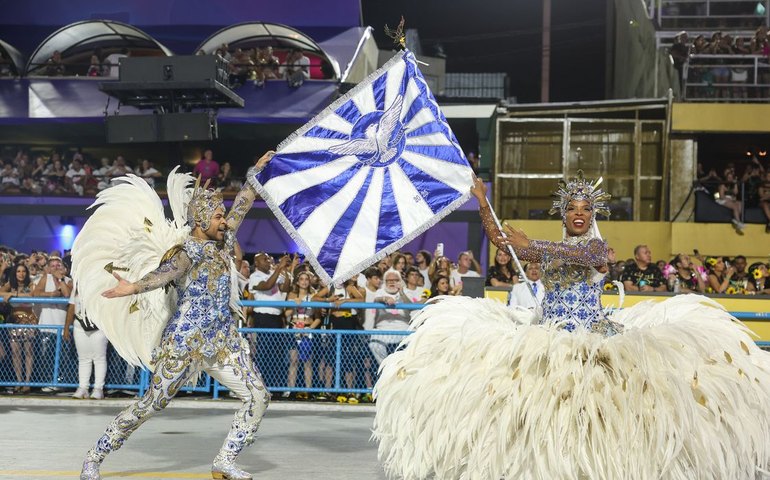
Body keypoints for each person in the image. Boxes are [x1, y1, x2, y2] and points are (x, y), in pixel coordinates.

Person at [373, 171, 770, 479]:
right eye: (572, 209)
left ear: (592, 215)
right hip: (544, 336)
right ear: (563, 214)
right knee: (531, 413)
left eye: (585, 210)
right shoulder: (549, 250)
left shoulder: (597, 248)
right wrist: (482, 201)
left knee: (599, 413)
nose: (579, 215)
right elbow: (503, 242)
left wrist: (533, 246)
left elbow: (578, 256)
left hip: (591, 340)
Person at [75, 151, 276, 480]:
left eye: (223, 217)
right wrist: (133, 288)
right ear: (200, 222)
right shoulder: (186, 253)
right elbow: (162, 275)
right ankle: (96, 455)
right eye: (217, 218)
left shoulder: (223, 243)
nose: (224, 222)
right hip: (183, 346)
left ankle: (224, 459)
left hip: (224, 343)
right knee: (149, 406)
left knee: (258, 396)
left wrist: (256, 170)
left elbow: (243, 203)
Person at [64, 289, 107, 399]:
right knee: (83, 358)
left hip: (98, 326)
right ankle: (83, 388)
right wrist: (66, 327)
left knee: (99, 358)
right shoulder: (77, 287)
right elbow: (72, 307)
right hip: (79, 326)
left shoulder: (102, 285)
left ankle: (98, 389)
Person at [0, 264, 37, 393]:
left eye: (23, 271)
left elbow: (32, 295)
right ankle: (18, 381)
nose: (21, 274)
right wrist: (9, 292)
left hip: (28, 321)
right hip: (15, 321)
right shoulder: (11, 284)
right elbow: (0, 292)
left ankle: (27, 382)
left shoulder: (31, 283)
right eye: (18, 271)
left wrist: (14, 294)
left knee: (28, 352)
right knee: (15, 353)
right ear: (14, 274)